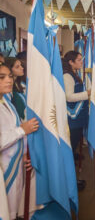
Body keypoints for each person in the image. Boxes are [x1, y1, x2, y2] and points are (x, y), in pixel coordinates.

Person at [0, 62, 39, 220]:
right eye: (2, 78)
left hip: (15, 165)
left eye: (10, 76)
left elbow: (15, 131)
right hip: (4, 170)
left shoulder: (6, 102)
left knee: (13, 211)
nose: (9, 80)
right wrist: (23, 129)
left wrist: (23, 154)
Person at [62, 51, 90, 190]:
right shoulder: (67, 76)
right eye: (78, 60)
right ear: (71, 62)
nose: (81, 62)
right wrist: (87, 94)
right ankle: (69, 184)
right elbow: (69, 97)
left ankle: (72, 181)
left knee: (73, 149)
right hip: (72, 118)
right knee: (70, 150)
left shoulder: (75, 74)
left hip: (78, 118)